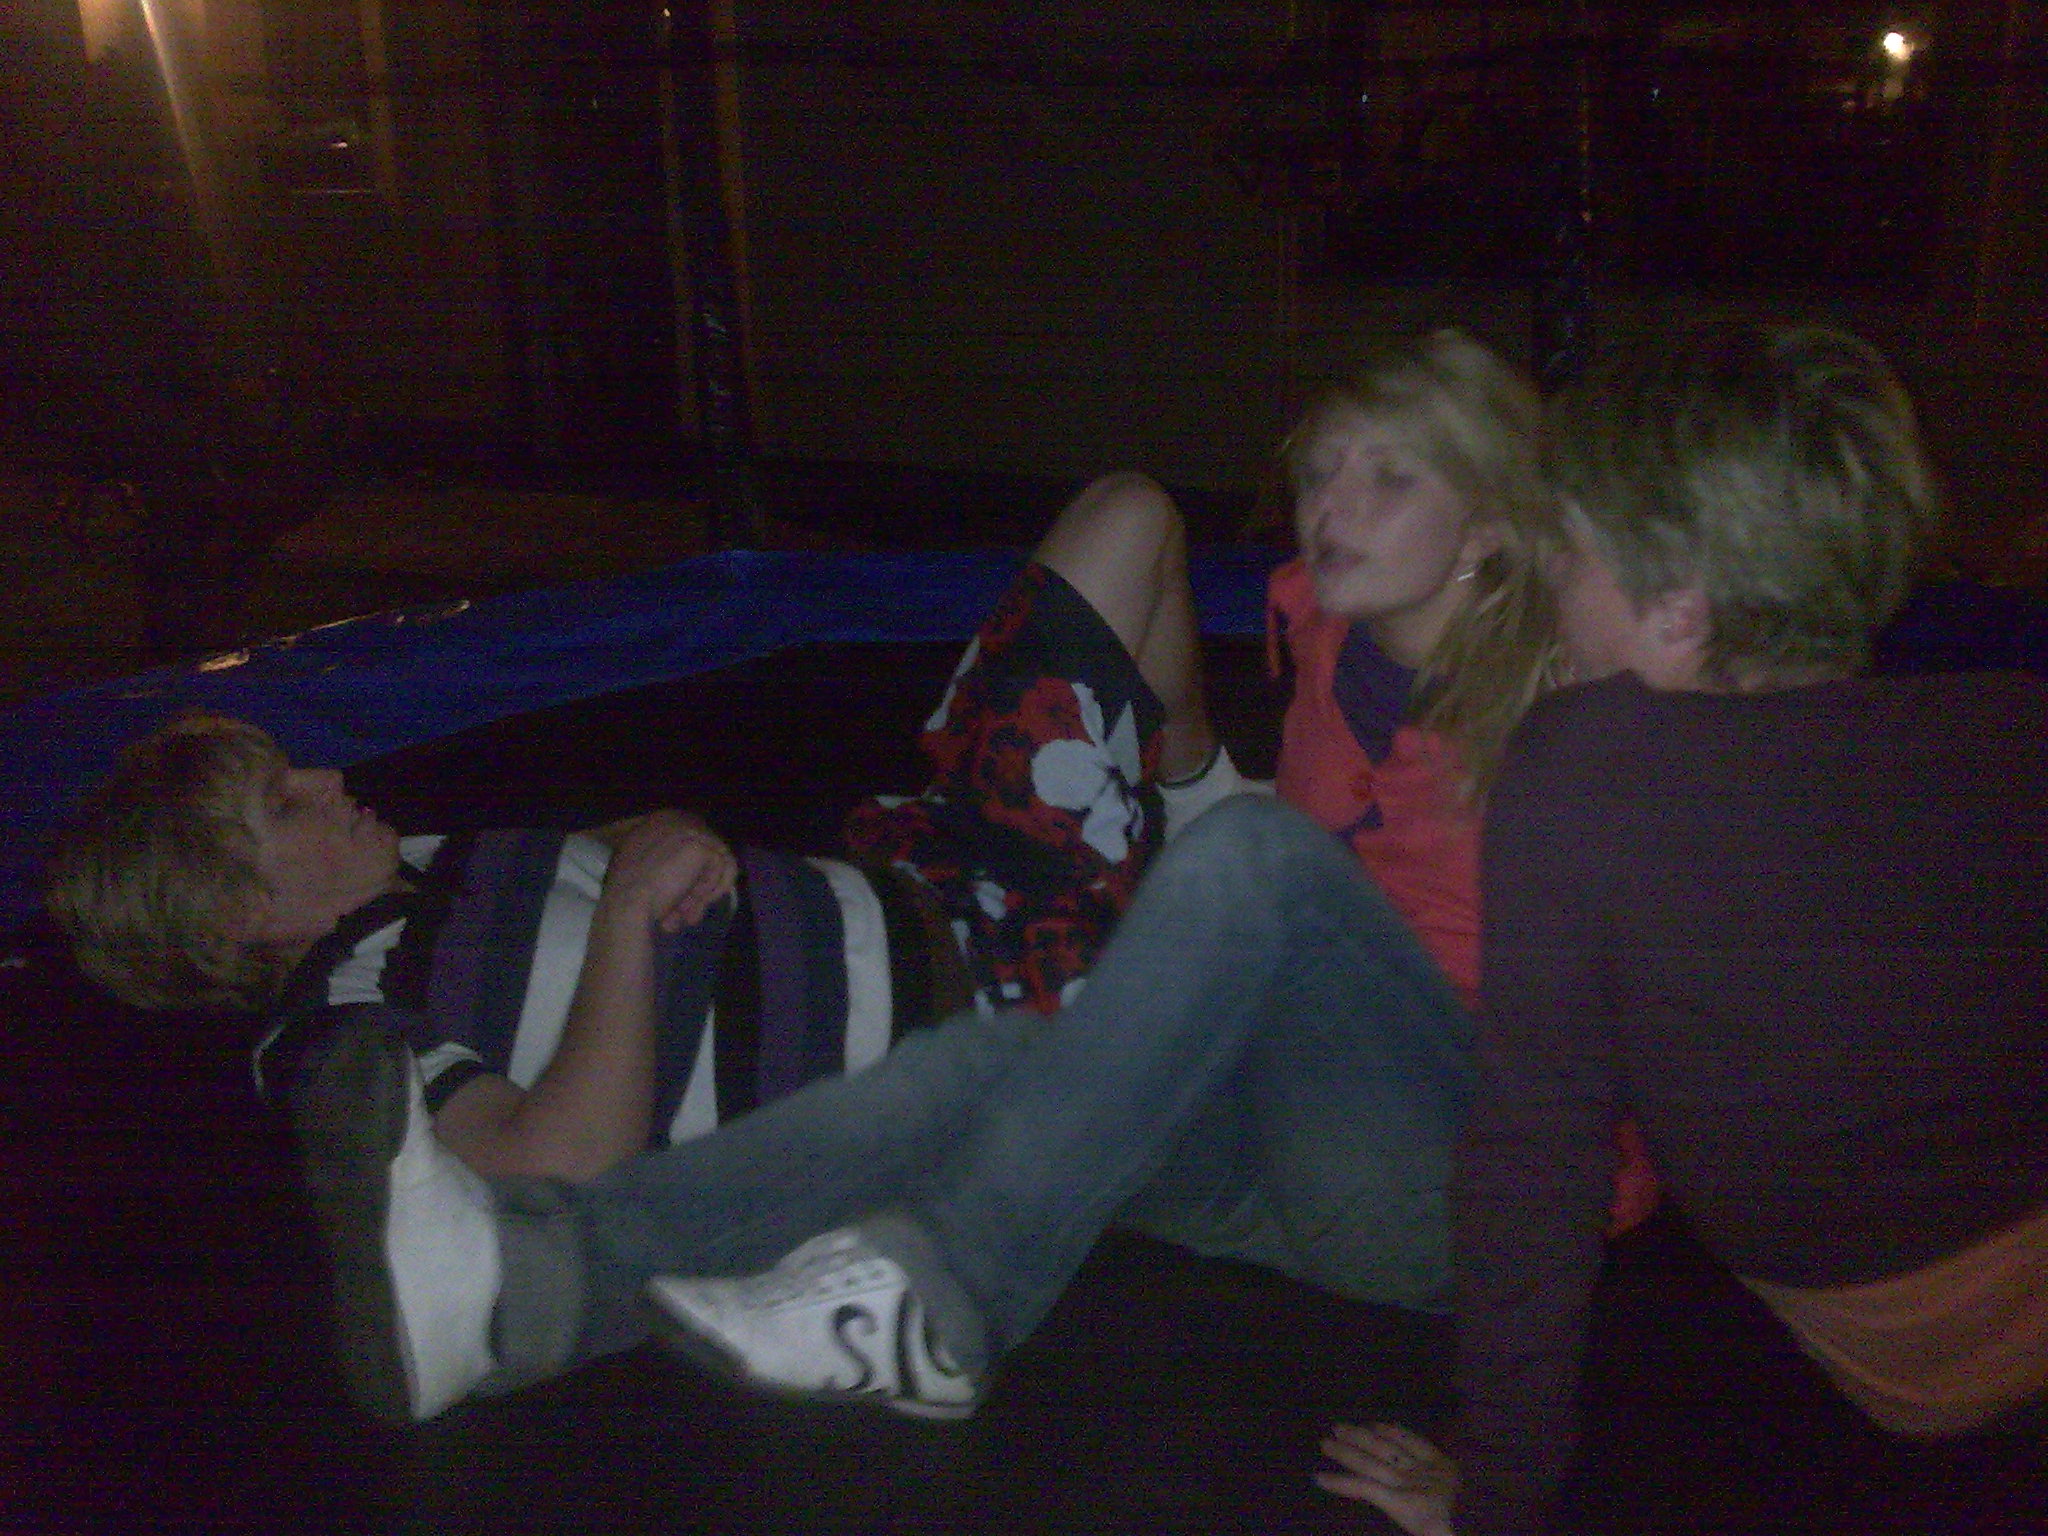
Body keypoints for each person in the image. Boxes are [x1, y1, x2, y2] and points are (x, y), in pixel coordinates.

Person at [1314, 320, 2048, 1535]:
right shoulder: (2007, 723)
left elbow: (1535, 1171)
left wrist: (1496, 1499)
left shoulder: (1590, 763)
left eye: (1566, 558)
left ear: (1674, 616)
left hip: (1951, 1375)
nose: (1548, 588)